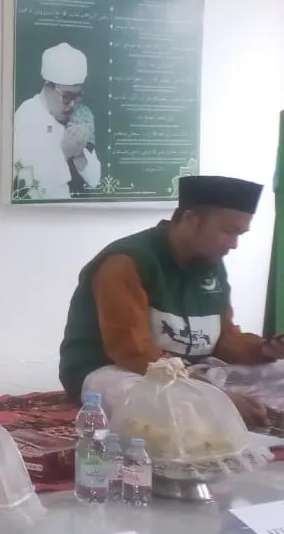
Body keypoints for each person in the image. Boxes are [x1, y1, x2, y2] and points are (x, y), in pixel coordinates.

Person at [59, 175, 284, 429]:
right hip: (117, 371)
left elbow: (223, 339)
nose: (234, 245)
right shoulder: (127, 262)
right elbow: (131, 351)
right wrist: (214, 397)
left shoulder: (210, 263)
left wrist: (265, 349)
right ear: (190, 219)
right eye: (228, 231)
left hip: (191, 371)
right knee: (161, 403)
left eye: (240, 234)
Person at [12, 42, 101, 201]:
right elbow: (26, 187)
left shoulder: (79, 116)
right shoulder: (27, 115)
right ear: (48, 86)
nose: (72, 105)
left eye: (76, 97)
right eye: (67, 97)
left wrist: (79, 153)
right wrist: (64, 153)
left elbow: (95, 180)